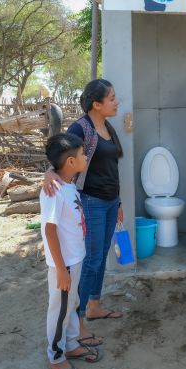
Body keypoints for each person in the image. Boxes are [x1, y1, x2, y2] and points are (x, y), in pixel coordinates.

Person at [43, 79, 123, 348]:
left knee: (100, 256)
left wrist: (119, 201)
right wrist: (48, 173)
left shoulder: (108, 126)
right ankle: (78, 322)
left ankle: (94, 306)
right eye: (112, 98)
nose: (117, 102)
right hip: (91, 201)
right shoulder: (81, 127)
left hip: (111, 201)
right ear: (96, 104)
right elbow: (60, 155)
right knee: (90, 260)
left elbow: (112, 166)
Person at [41, 133, 102, 369]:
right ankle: (56, 357)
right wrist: (62, 269)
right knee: (59, 310)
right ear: (70, 162)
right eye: (82, 154)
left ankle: (71, 344)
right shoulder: (54, 190)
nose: (85, 156)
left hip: (74, 260)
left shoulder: (66, 184)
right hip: (63, 264)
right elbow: (49, 229)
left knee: (71, 304)